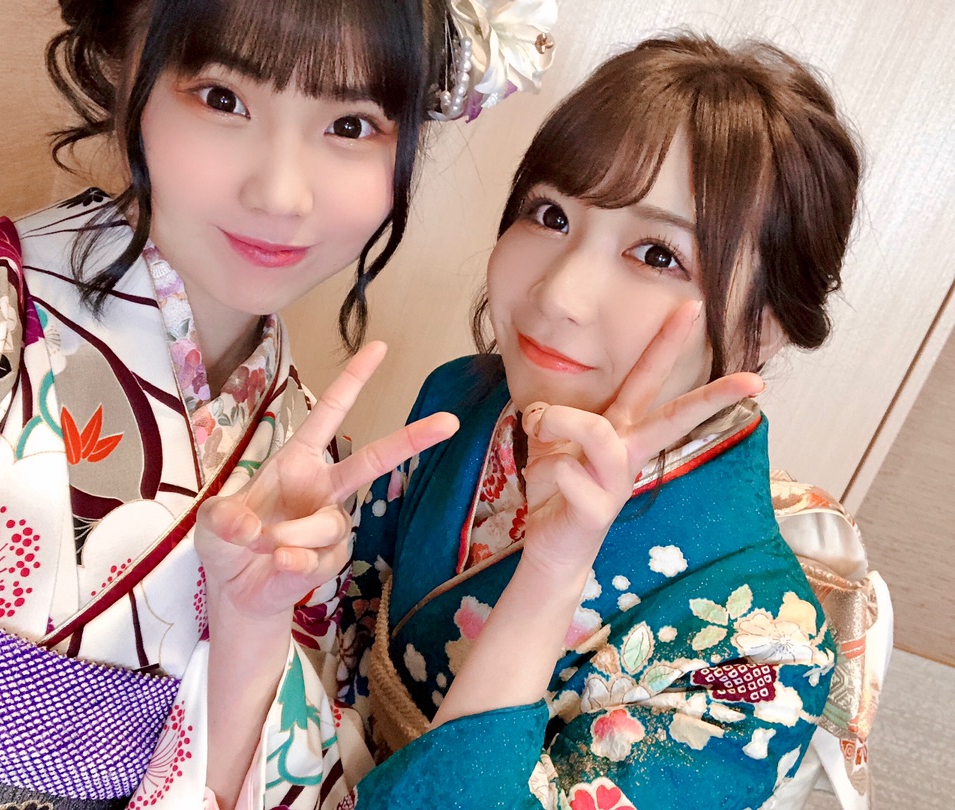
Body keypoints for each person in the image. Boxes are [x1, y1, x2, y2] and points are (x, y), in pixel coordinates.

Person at [0, 1, 557, 808]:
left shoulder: (312, 479)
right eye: (223, 98)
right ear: (121, 70)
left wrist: (251, 630)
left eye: (351, 125)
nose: (282, 194)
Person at [201, 33, 871, 809]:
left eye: (658, 255)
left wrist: (550, 577)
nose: (557, 294)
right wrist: (272, 592)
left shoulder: (763, 653)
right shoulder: (463, 401)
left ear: (765, 325)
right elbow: (341, 643)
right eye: (550, 214)